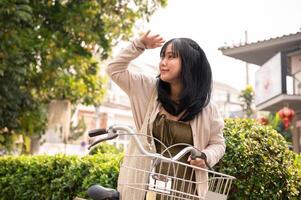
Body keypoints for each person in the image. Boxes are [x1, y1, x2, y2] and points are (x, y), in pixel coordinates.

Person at [106, 31, 225, 200]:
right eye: (162, 57)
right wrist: (138, 45)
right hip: (145, 190)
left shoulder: (207, 109)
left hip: (186, 192)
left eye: (171, 57)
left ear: (190, 63)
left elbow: (218, 144)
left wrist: (205, 157)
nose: (163, 62)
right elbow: (114, 69)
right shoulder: (147, 89)